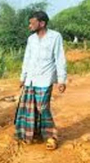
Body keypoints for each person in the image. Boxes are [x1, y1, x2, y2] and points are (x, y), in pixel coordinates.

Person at [15, 11, 67, 150]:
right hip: (30, 79)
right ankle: (31, 134)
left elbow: (60, 58)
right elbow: (27, 59)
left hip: (45, 79)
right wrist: (23, 77)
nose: (29, 25)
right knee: (28, 108)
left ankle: (51, 136)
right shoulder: (31, 39)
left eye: (32, 23)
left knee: (43, 108)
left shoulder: (55, 37)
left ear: (42, 23)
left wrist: (61, 80)